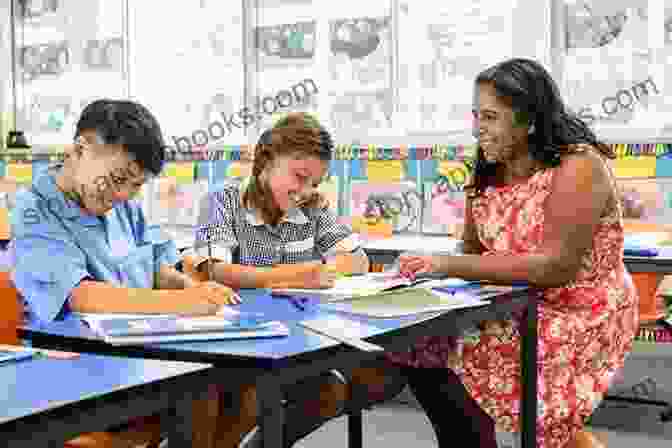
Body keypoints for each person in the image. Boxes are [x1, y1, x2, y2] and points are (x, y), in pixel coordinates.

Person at [392, 58, 636, 448]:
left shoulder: (578, 164)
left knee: (468, 352)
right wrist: (426, 274)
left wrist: (445, 265)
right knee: (419, 343)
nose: (477, 129)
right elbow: (472, 250)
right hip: (516, 300)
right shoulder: (489, 168)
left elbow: (555, 267)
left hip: (580, 308)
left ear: (529, 121)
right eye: (475, 115)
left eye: (490, 117)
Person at [11, 99, 239, 448]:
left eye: (135, 186)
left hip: (139, 354)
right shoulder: (34, 212)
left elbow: (157, 267)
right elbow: (80, 295)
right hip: (75, 369)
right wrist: (181, 302)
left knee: (241, 392)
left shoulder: (123, 207)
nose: (121, 194)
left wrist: (193, 288)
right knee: (202, 393)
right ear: (80, 149)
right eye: (117, 179)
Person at [188, 112, 406, 447]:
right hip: (240, 340)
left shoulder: (311, 207)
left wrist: (325, 269)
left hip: (300, 337)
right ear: (266, 159)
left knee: (354, 384)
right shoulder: (224, 201)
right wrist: (299, 274)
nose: (304, 191)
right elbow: (217, 270)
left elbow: (359, 260)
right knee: (258, 396)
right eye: (299, 176)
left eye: (314, 184)